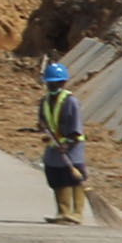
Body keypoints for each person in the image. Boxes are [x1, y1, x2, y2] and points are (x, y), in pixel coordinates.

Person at [37, 58, 88, 224]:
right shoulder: (44, 102)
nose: (52, 86)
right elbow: (43, 121)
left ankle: (77, 213)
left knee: (73, 177)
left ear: (63, 83)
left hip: (72, 146)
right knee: (55, 174)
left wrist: (68, 143)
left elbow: (76, 127)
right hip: (55, 146)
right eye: (50, 83)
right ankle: (63, 212)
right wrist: (43, 128)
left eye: (56, 83)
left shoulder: (71, 102)